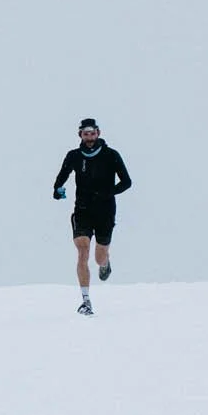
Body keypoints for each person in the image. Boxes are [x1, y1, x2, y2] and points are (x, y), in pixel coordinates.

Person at [51, 119, 132, 315]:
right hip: (83, 210)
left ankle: (105, 264)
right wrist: (57, 189)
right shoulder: (74, 156)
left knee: (99, 256)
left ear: (98, 133)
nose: (89, 137)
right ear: (80, 135)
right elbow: (63, 175)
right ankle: (86, 301)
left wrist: (108, 192)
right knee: (82, 249)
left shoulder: (111, 155)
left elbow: (127, 182)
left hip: (105, 211)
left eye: (92, 133)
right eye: (85, 134)